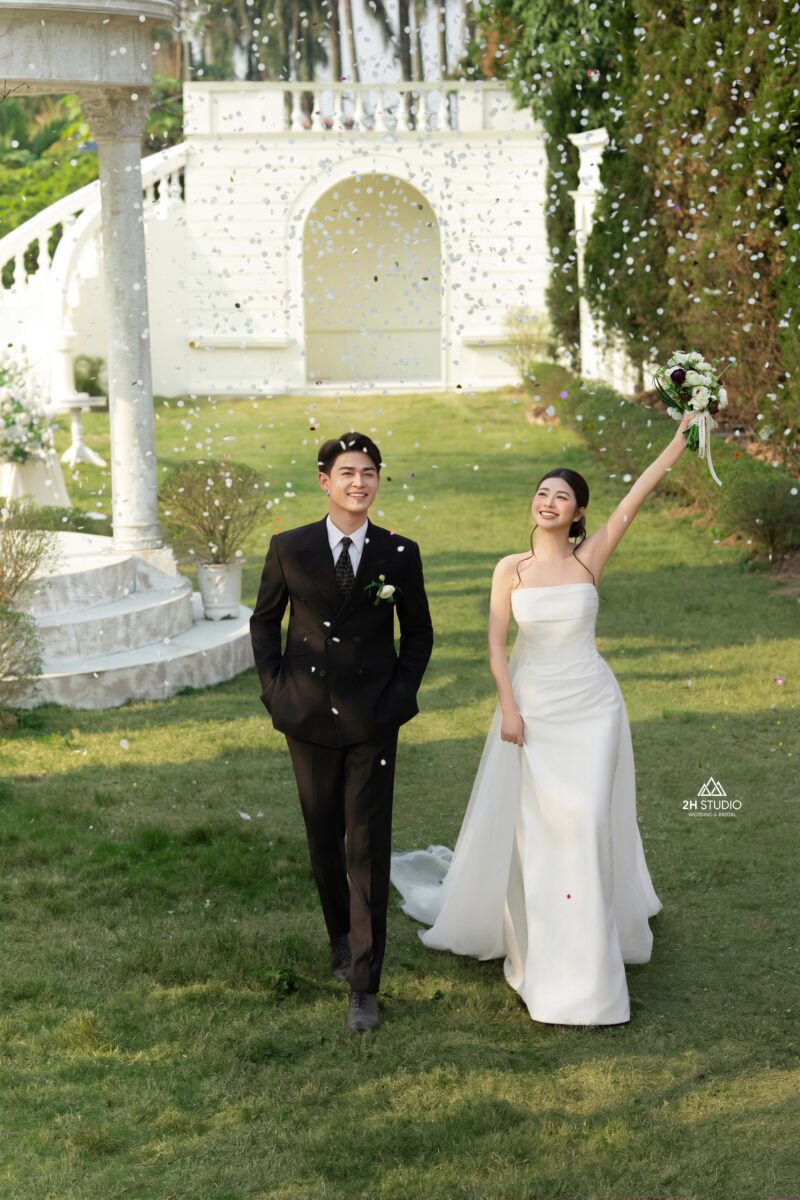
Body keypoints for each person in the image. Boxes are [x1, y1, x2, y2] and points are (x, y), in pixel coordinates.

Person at [390, 411, 696, 1026]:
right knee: (541, 828)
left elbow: (637, 496)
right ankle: (541, 943)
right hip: (533, 710)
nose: (549, 502)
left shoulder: (590, 558)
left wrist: (680, 439)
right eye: (542, 493)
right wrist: (510, 708)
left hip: (593, 708)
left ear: (578, 513)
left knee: (586, 820)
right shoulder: (512, 569)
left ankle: (591, 962)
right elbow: (495, 645)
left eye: (562, 497)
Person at [250, 432, 433, 1033]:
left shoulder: (399, 553)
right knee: (323, 837)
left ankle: (363, 983)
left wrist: (397, 700)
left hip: (372, 719)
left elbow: (419, 635)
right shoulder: (289, 547)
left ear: (379, 481)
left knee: (367, 846)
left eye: (369, 473)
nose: (360, 482)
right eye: (348, 473)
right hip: (305, 716)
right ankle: (340, 937)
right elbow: (264, 622)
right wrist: (275, 691)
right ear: (325, 481)